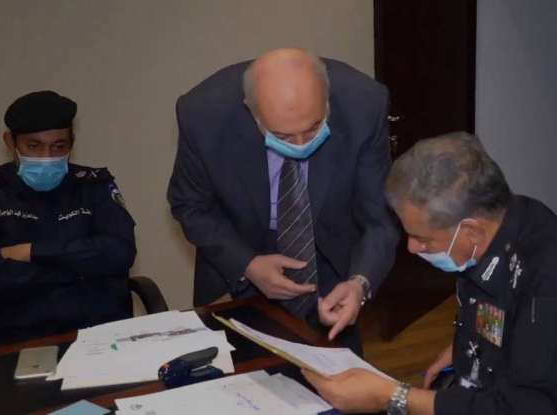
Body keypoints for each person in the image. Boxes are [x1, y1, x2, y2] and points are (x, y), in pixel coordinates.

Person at [303, 132, 557, 414]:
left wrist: (394, 396)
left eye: (424, 239)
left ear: (471, 231)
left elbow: (519, 410)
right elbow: (503, 312)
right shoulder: (502, 222)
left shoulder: (556, 285)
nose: (412, 248)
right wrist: (469, 347)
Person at [168, 48, 399, 352]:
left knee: (337, 373)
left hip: (331, 267)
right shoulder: (204, 113)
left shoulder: (364, 103)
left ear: (327, 99)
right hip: (239, 264)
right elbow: (189, 205)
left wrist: (360, 283)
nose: (302, 145)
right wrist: (247, 264)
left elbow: (380, 218)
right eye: (283, 136)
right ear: (251, 112)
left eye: (314, 127)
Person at [0, 90, 136, 349]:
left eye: (58, 146)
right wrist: (81, 269)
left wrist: (30, 252)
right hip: (12, 337)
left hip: (95, 334)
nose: (46, 157)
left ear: (71, 144)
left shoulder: (93, 186)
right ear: (10, 142)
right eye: (33, 146)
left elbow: (120, 253)